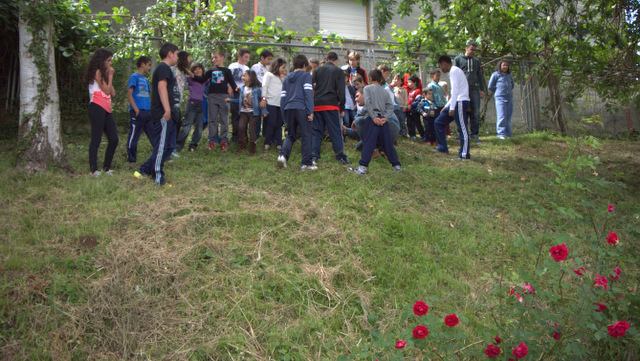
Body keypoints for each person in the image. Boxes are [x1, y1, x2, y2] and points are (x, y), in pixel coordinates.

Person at [134, 42, 180, 186]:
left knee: (169, 146)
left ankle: (142, 171)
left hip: (169, 115)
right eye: (177, 54)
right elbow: (161, 87)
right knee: (161, 146)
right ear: (170, 53)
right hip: (163, 114)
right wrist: (166, 109)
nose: (178, 57)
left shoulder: (166, 69)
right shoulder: (163, 67)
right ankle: (158, 177)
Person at [348, 69, 402, 175]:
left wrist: (373, 117)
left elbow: (368, 104)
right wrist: (385, 118)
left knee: (369, 143)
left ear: (371, 78)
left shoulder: (367, 88)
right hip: (383, 120)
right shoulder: (385, 91)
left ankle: (362, 167)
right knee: (388, 143)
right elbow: (390, 106)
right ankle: (396, 166)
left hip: (372, 119)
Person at [310, 51, 350, 165]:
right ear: (336, 60)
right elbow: (341, 91)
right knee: (335, 131)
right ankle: (340, 156)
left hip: (317, 105)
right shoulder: (338, 71)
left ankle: (314, 155)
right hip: (331, 105)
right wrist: (341, 107)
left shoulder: (317, 71)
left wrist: (312, 104)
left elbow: (312, 88)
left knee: (317, 131)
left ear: (326, 59)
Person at [277, 55, 315, 170]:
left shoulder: (287, 78)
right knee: (306, 135)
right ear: (304, 65)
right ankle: (306, 163)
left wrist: (284, 117)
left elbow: (282, 98)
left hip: (288, 108)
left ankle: (283, 155)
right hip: (301, 108)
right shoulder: (306, 76)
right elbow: (308, 94)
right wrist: (310, 111)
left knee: (291, 134)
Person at [85, 48, 118, 176]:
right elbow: (106, 90)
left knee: (114, 138)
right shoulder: (97, 72)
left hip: (106, 108)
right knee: (96, 138)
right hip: (97, 106)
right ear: (102, 61)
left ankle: (106, 167)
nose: (110, 63)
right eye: (108, 61)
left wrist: (109, 77)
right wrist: (110, 75)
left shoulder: (104, 75)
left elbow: (112, 93)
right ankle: (93, 169)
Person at [433, 55, 471, 161]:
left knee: (462, 128)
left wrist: (452, 107)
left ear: (444, 63)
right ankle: (442, 148)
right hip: (456, 102)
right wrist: (446, 106)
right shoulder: (453, 72)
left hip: (460, 102)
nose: (441, 69)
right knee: (438, 122)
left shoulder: (454, 71)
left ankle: (464, 154)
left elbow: (455, 91)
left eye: (440, 66)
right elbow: (454, 92)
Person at [203, 49, 237, 151]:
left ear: (222, 58)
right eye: (212, 58)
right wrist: (191, 75)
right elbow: (202, 80)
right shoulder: (210, 71)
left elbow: (232, 83)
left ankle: (224, 141)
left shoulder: (227, 71)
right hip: (212, 96)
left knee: (224, 119)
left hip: (224, 97)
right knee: (212, 119)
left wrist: (237, 90)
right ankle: (211, 141)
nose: (214, 59)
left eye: (216, 57)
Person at [454, 40, 486, 143]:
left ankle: (474, 134)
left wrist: (482, 89)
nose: (473, 52)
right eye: (472, 49)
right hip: (462, 89)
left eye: (475, 50)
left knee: (475, 112)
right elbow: (454, 74)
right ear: (466, 48)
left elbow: (479, 75)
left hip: (474, 89)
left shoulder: (476, 61)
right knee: (462, 111)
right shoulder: (458, 59)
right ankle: (462, 134)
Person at [125, 55, 152, 163]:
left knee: (152, 133)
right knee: (134, 134)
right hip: (137, 111)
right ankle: (131, 158)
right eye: (149, 65)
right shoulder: (134, 77)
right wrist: (136, 109)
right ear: (142, 64)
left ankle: (160, 154)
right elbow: (129, 94)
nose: (149, 67)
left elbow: (146, 94)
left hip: (147, 111)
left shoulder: (145, 80)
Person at [176, 62, 207, 152]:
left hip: (200, 105)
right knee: (187, 126)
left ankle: (193, 145)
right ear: (192, 71)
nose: (198, 71)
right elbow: (181, 80)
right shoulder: (190, 79)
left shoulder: (205, 79)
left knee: (199, 127)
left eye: (199, 69)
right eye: (195, 69)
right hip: (191, 104)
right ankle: (178, 145)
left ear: (202, 70)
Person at [237, 70, 267, 154]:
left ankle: (252, 149)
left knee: (251, 129)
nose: (242, 77)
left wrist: (264, 111)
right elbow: (239, 100)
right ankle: (242, 146)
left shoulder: (257, 89)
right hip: (243, 112)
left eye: (244, 76)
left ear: (251, 77)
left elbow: (262, 101)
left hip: (253, 113)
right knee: (241, 127)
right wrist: (230, 100)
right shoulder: (242, 88)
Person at [261, 58, 287, 150]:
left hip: (280, 103)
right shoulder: (269, 75)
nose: (283, 69)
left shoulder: (282, 77)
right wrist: (264, 98)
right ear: (277, 66)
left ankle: (279, 143)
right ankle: (267, 142)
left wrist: (284, 76)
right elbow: (264, 86)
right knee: (271, 123)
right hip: (271, 102)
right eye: (282, 67)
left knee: (279, 124)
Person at [171, 51, 192, 157]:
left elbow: (185, 86)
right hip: (171, 103)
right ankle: (170, 148)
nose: (190, 60)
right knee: (173, 125)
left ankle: (172, 147)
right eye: (188, 58)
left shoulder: (184, 72)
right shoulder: (173, 70)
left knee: (177, 124)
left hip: (178, 103)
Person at [488, 60, 515, 139]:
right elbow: (490, 86)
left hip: (509, 98)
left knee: (508, 117)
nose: (505, 67)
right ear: (500, 66)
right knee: (502, 116)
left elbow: (512, 85)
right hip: (500, 98)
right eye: (504, 65)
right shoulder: (495, 75)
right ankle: (501, 134)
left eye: (506, 65)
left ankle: (508, 134)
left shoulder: (509, 75)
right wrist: (498, 92)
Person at [229, 48, 251, 143]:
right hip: (234, 93)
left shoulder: (247, 69)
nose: (247, 59)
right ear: (239, 56)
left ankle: (243, 136)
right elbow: (229, 78)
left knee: (243, 115)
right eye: (245, 57)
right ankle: (235, 136)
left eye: (248, 57)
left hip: (243, 94)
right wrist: (230, 87)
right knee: (235, 115)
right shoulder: (232, 66)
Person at [250, 49, 273, 139]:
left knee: (266, 114)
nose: (269, 61)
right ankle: (256, 135)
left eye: (271, 59)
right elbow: (253, 79)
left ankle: (265, 134)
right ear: (262, 58)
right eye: (268, 59)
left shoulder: (269, 68)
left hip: (267, 93)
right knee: (257, 114)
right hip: (257, 93)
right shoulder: (255, 67)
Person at [406, 75, 425, 140]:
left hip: (415, 111)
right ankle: (412, 135)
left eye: (410, 82)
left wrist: (411, 106)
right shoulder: (409, 91)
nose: (408, 84)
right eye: (408, 82)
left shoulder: (418, 91)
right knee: (409, 123)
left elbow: (418, 101)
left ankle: (422, 135)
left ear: (415, 83)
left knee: (417, 123)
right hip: (408, 110)